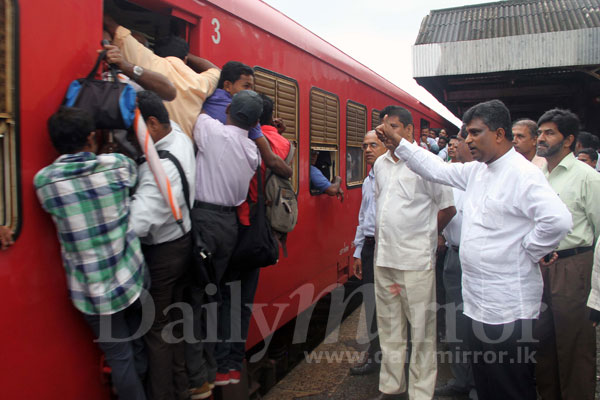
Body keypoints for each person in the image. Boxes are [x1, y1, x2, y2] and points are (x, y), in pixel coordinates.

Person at [381, 99, 572, 400]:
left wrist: (530, 249)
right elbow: (436, 169)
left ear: (498, 134)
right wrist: (401, 144)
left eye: (474, 132)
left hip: (508, 309)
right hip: (477, 305)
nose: (468, 139)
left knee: (511, 387)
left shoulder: (522, 174)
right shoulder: (477, 172)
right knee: (486, 384)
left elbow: (558, 220)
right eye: (466, 133)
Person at [34, 107, 147, 400]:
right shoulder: (118, 165)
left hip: (93, 292)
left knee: (120, 358)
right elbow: (132, 179)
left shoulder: (45, 182)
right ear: (90, 138)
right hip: (132, 279)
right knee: (140, 342)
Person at [370, 106, 456, 400]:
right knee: (390, 326)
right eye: (384, 127)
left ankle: (421, 393)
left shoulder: (428, 163)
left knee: (421, 331)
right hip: (384, 259)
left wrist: (426, 238)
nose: (386, 132)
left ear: (409, 131)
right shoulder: (380, 164)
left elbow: (447, 208)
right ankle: (392, 386)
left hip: (415, 261)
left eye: (393, 126)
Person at [213, 93, 292, 387]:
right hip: (260, 235)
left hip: (238, 230)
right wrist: (272, 130)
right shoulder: (279, 143)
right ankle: (234, 362)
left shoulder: (241, 144)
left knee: (224, 300)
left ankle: (221, 362)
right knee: (244, 302)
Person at [186, 90, 262, 390]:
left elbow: (196, 109)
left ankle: (202, 371)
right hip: (230, 225)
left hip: (204, 219)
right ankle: (219, 365)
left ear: (228, 109)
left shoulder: (212, 131)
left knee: (198, 296)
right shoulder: (253, 153)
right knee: (214, 293)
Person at [128, 91, 195, 400]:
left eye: (136, 128)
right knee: (173, 322)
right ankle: (182, 387)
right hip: (183, 242)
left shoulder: (161, 171)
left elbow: (136, 225)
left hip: (164, 253)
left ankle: (162, 394)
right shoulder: (177, 135)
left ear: (152, 124)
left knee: (156, 330)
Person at [534, 108, 600, 400]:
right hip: (540, 267)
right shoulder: (537, 176)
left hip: (575, 266)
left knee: (574, 346)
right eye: (540, 132)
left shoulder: (587, 177)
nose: (541, 138)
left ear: (569, 139)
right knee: (543, 344)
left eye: (550, 133)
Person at [104, 15, 220, 136]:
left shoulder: (150, 61)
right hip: (185, 151)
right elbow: (216, 70)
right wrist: (185, 54)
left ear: (157, 53)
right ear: (185, 59)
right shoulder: (200, 81)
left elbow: (114, 28)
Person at [434, 126, 477, 400]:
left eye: (459, 141)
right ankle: (462, 379)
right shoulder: (451, 174)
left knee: (478, 324)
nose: (455, 146)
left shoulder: (485, 175)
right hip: (453, 255)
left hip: (477, 259)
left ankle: (479, 383)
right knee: (456, 322)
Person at [200, 61, 292, 178]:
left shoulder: (206, 94)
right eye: (246, 86)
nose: (250, 92)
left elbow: (214, 70)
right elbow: (271, 160)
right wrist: (289, 172)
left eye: (251, 87)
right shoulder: (245, 111)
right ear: (228, 85)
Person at [349, 130, 387, 376]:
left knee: (394, 304)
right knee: (372, 304)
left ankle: (397, 359)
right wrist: (358, 250)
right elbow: (364, 218)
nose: (367, 150)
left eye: (373, 144)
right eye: (364, 146)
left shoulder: (393, 178)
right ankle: (375, 356)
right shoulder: (367, 181)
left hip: (391, 246)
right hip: (371, 246)